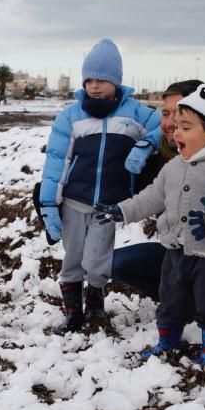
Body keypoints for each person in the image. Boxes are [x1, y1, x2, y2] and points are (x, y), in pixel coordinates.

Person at [96, 82, 205, 365]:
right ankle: (168, 340)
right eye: (174, 125)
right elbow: (151, 196)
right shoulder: (174, 165)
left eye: (185, 127)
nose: (175, 132)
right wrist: (122, 211)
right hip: (175, 248)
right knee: (171, 297)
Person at [38, 38, 162, 334]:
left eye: (102, 79)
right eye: (89, 79)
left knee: (98, 261)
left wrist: (144, 145)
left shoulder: (134, 113)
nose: (94, 86)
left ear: (116, 80)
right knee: (73, 259)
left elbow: (165, 128)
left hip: (110, 205)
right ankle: (73, 314)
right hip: (74, 201)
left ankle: (95, 307)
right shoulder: (71, 115)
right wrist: (47, 205)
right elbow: (55, 162)